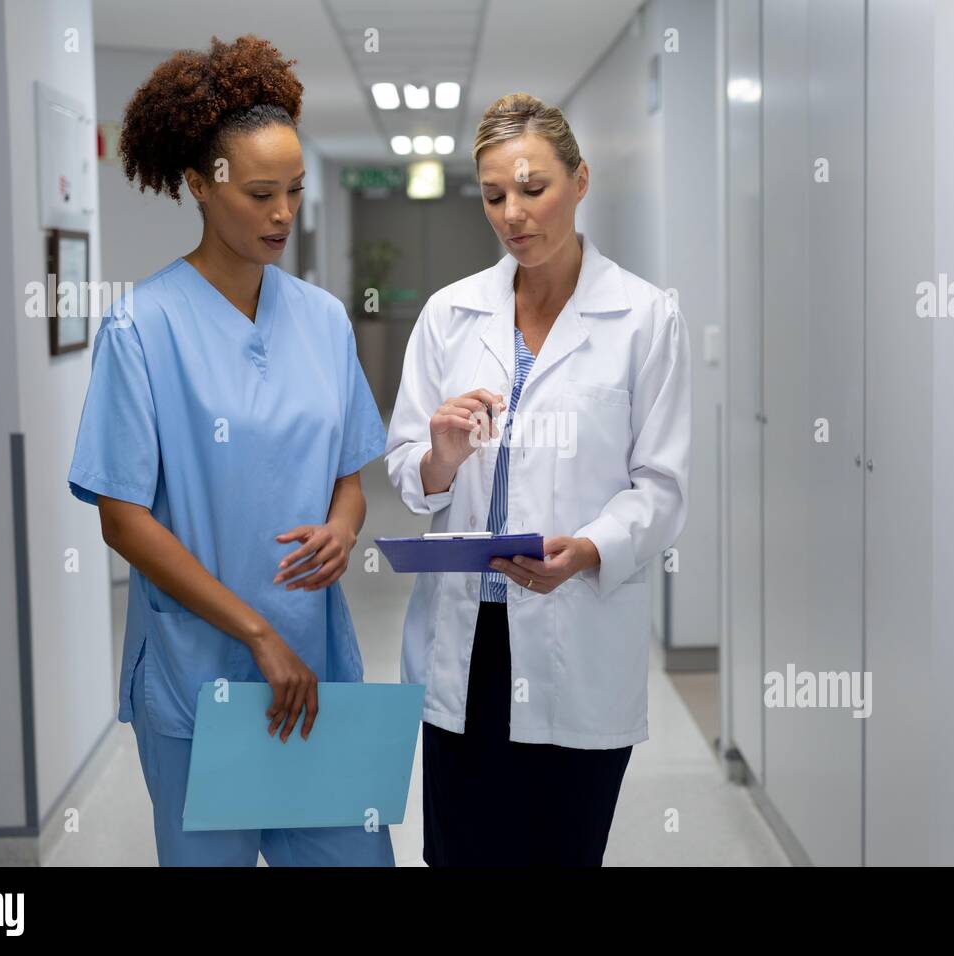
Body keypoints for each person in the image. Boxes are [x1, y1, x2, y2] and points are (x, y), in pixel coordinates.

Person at [67, 35, 391, 867]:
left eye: (294, 191)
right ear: (200, 188)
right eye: (259, 193)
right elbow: (121, 517)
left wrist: (344, 528)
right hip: (199, 670)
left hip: (312, 661)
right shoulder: (143, 328)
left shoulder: (320, 320)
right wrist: (255, 632)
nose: (283, 214)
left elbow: (347, 478)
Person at [385, 92, 692, 866]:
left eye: (534, 188)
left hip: (576, 635)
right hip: (468, 641)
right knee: (459, 856)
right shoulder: (449, 314)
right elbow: (408, 473)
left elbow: (661, 486)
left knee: (562, 852)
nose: (514, 213)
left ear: (581, 181)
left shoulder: (645, 318)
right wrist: (444, 451)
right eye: (495, 196)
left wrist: (587, 550)